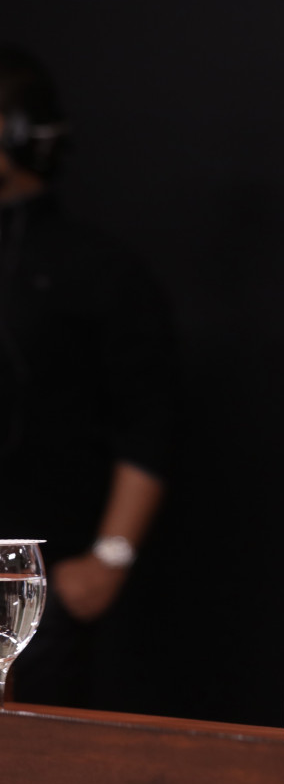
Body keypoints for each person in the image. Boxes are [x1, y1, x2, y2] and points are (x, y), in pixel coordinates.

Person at [0, 45, 175, 707]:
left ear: (22, 133)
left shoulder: (101, 271)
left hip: (39, 586)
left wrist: (110, 557)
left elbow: (150, 422)